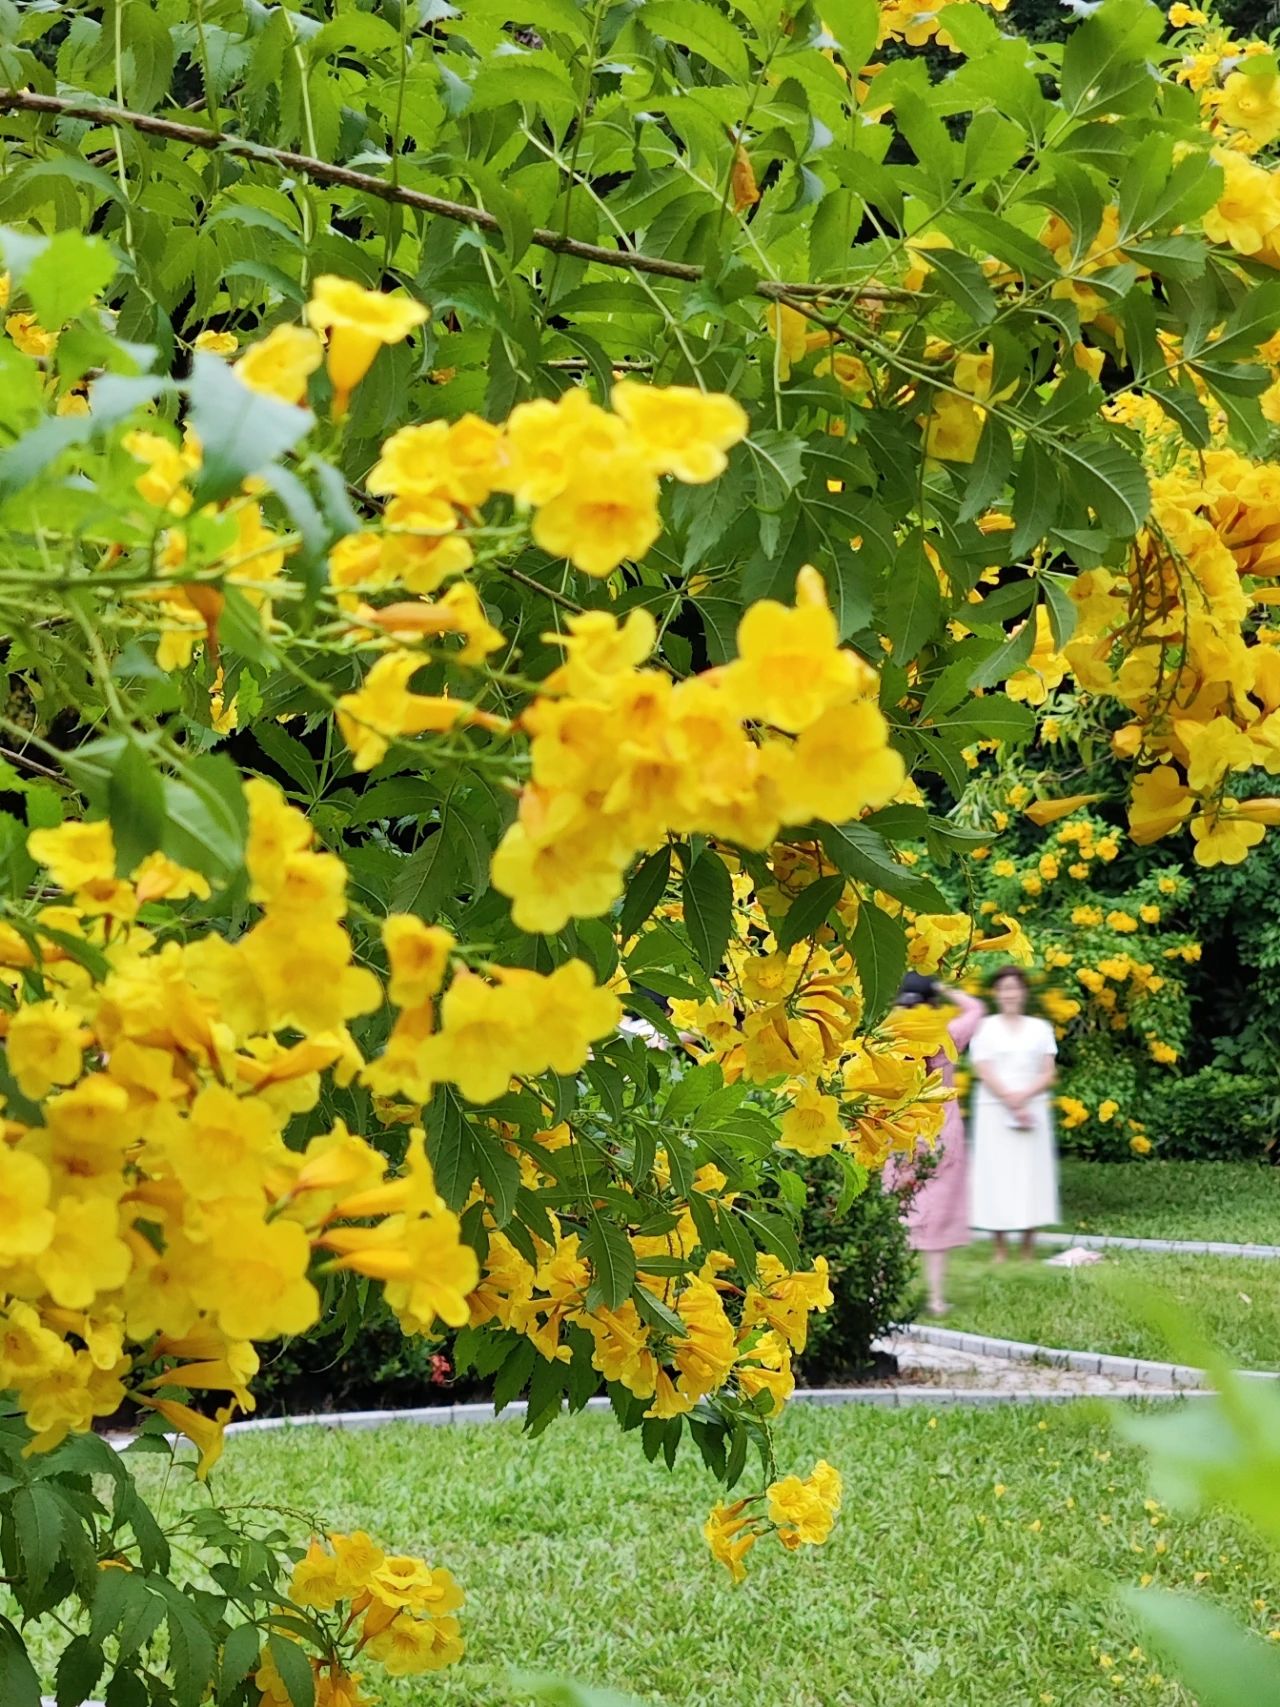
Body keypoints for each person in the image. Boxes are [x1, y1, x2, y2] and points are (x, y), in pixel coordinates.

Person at [882, 972, 986, 1317]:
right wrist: (942, 987)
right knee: (937, 1217)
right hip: (942, 1132)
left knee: (892, 1213)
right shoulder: (947, 1036)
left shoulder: (889, 1036)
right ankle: (936, 1298)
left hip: (900, 1131)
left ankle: (879, 1291)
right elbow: (976, 1008)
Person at [969, 966, 1060, 1262]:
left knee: (1031, 1175)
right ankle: (999, 1248)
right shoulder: (983, 1027)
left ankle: (1027, 1248)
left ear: (1024, 992)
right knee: (997, 1176)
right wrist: (1009, 1098)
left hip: (1031, 1109)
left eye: (1015, 987)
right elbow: (983, 1068)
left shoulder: (1041, 1028)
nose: (1010, 994)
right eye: (1004, 988)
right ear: (996, 994)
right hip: (994, 1110)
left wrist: (1023, 1097)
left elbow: (1048, 1072)